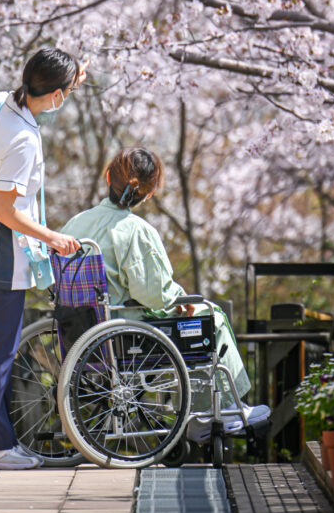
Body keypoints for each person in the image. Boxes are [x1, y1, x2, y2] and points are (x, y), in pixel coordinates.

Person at [60, 146, 270, 442]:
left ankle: (208, 414)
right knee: (211, 317)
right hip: (128, 334)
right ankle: (218, 411)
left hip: (83, 333)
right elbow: (155, 294)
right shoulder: (135, 230)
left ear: (108, 177)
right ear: (148, 194)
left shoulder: (75, 225)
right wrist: (178, 299)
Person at [0, 48, 86, 469]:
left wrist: (72, 73)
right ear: (56, 96)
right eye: (70, 91)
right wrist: (53, 238)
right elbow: (3, 211)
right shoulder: (23, 140)